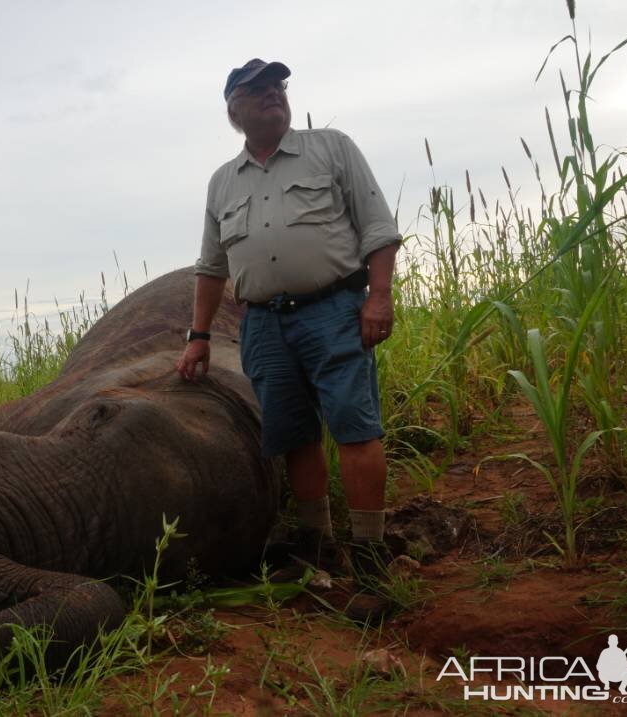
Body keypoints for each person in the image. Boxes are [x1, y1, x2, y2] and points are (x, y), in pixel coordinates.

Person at [176, 58, 402, 621]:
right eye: (258, 90)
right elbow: (211, 265)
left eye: (278, 85)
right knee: (293, 434)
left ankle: (371, 559)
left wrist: (378, 296)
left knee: (355, 428)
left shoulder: (331, 147)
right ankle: (314, 549)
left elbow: (378, 228)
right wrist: (199, 336)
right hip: (264, 324)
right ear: (235, 111)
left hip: (335, 310)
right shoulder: (222, 183)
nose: (274, 93)